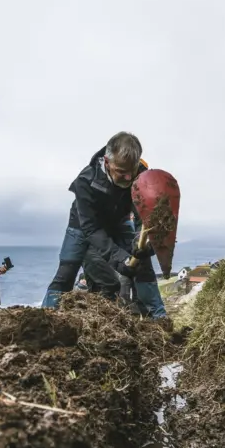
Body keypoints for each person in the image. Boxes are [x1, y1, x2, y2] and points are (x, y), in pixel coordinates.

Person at [42, 132, 166, 318]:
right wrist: (119, 258)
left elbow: (144, 215)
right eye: (121, 171)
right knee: (67, 271)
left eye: (131, 171)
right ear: (107, 162)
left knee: (142, 265)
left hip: (120, 221)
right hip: (83, 224)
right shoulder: (85, 180)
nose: (127, 177)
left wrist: (143, 241)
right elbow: (92, 229)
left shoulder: (141, 176)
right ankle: (45, 318)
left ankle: (160, 320)